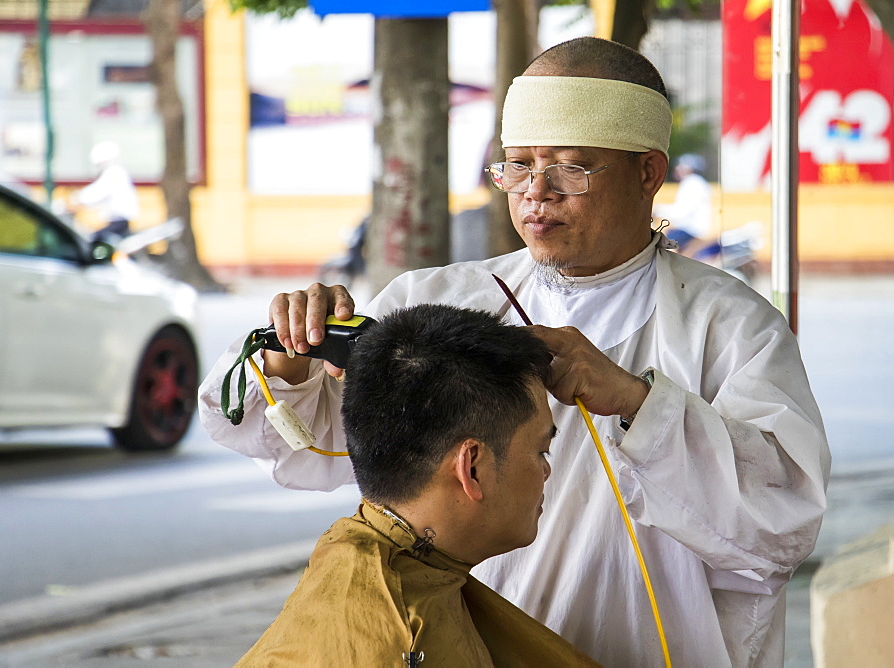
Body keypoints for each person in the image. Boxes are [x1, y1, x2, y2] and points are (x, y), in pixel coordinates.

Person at [200, 36, 830, 667]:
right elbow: (300, 445)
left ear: (648, 173)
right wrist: (292, 358)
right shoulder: (439, 301)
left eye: (569, 168)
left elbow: (782, 523)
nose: (536, 193)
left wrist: (640, 402)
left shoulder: (729, 327)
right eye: (519, 166)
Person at [235, 305, 597, 666]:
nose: (546, 472)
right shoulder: (407, 643)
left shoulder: (365, 552)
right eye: (541, 451)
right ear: (471, 468)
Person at [72, 140, 139, 243]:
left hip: (118, 222)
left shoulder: (113, 173)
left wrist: (77, 199)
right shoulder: (117, 172)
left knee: (94, 241)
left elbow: (97, 193)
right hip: (117, 221)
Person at [653, 152, 714, 258]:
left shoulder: (691, 183)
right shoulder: (696, 182)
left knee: (661, 243)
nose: (677, 169)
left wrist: (658, 210)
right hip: (691, 229)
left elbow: (681, 212)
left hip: (691, 230)